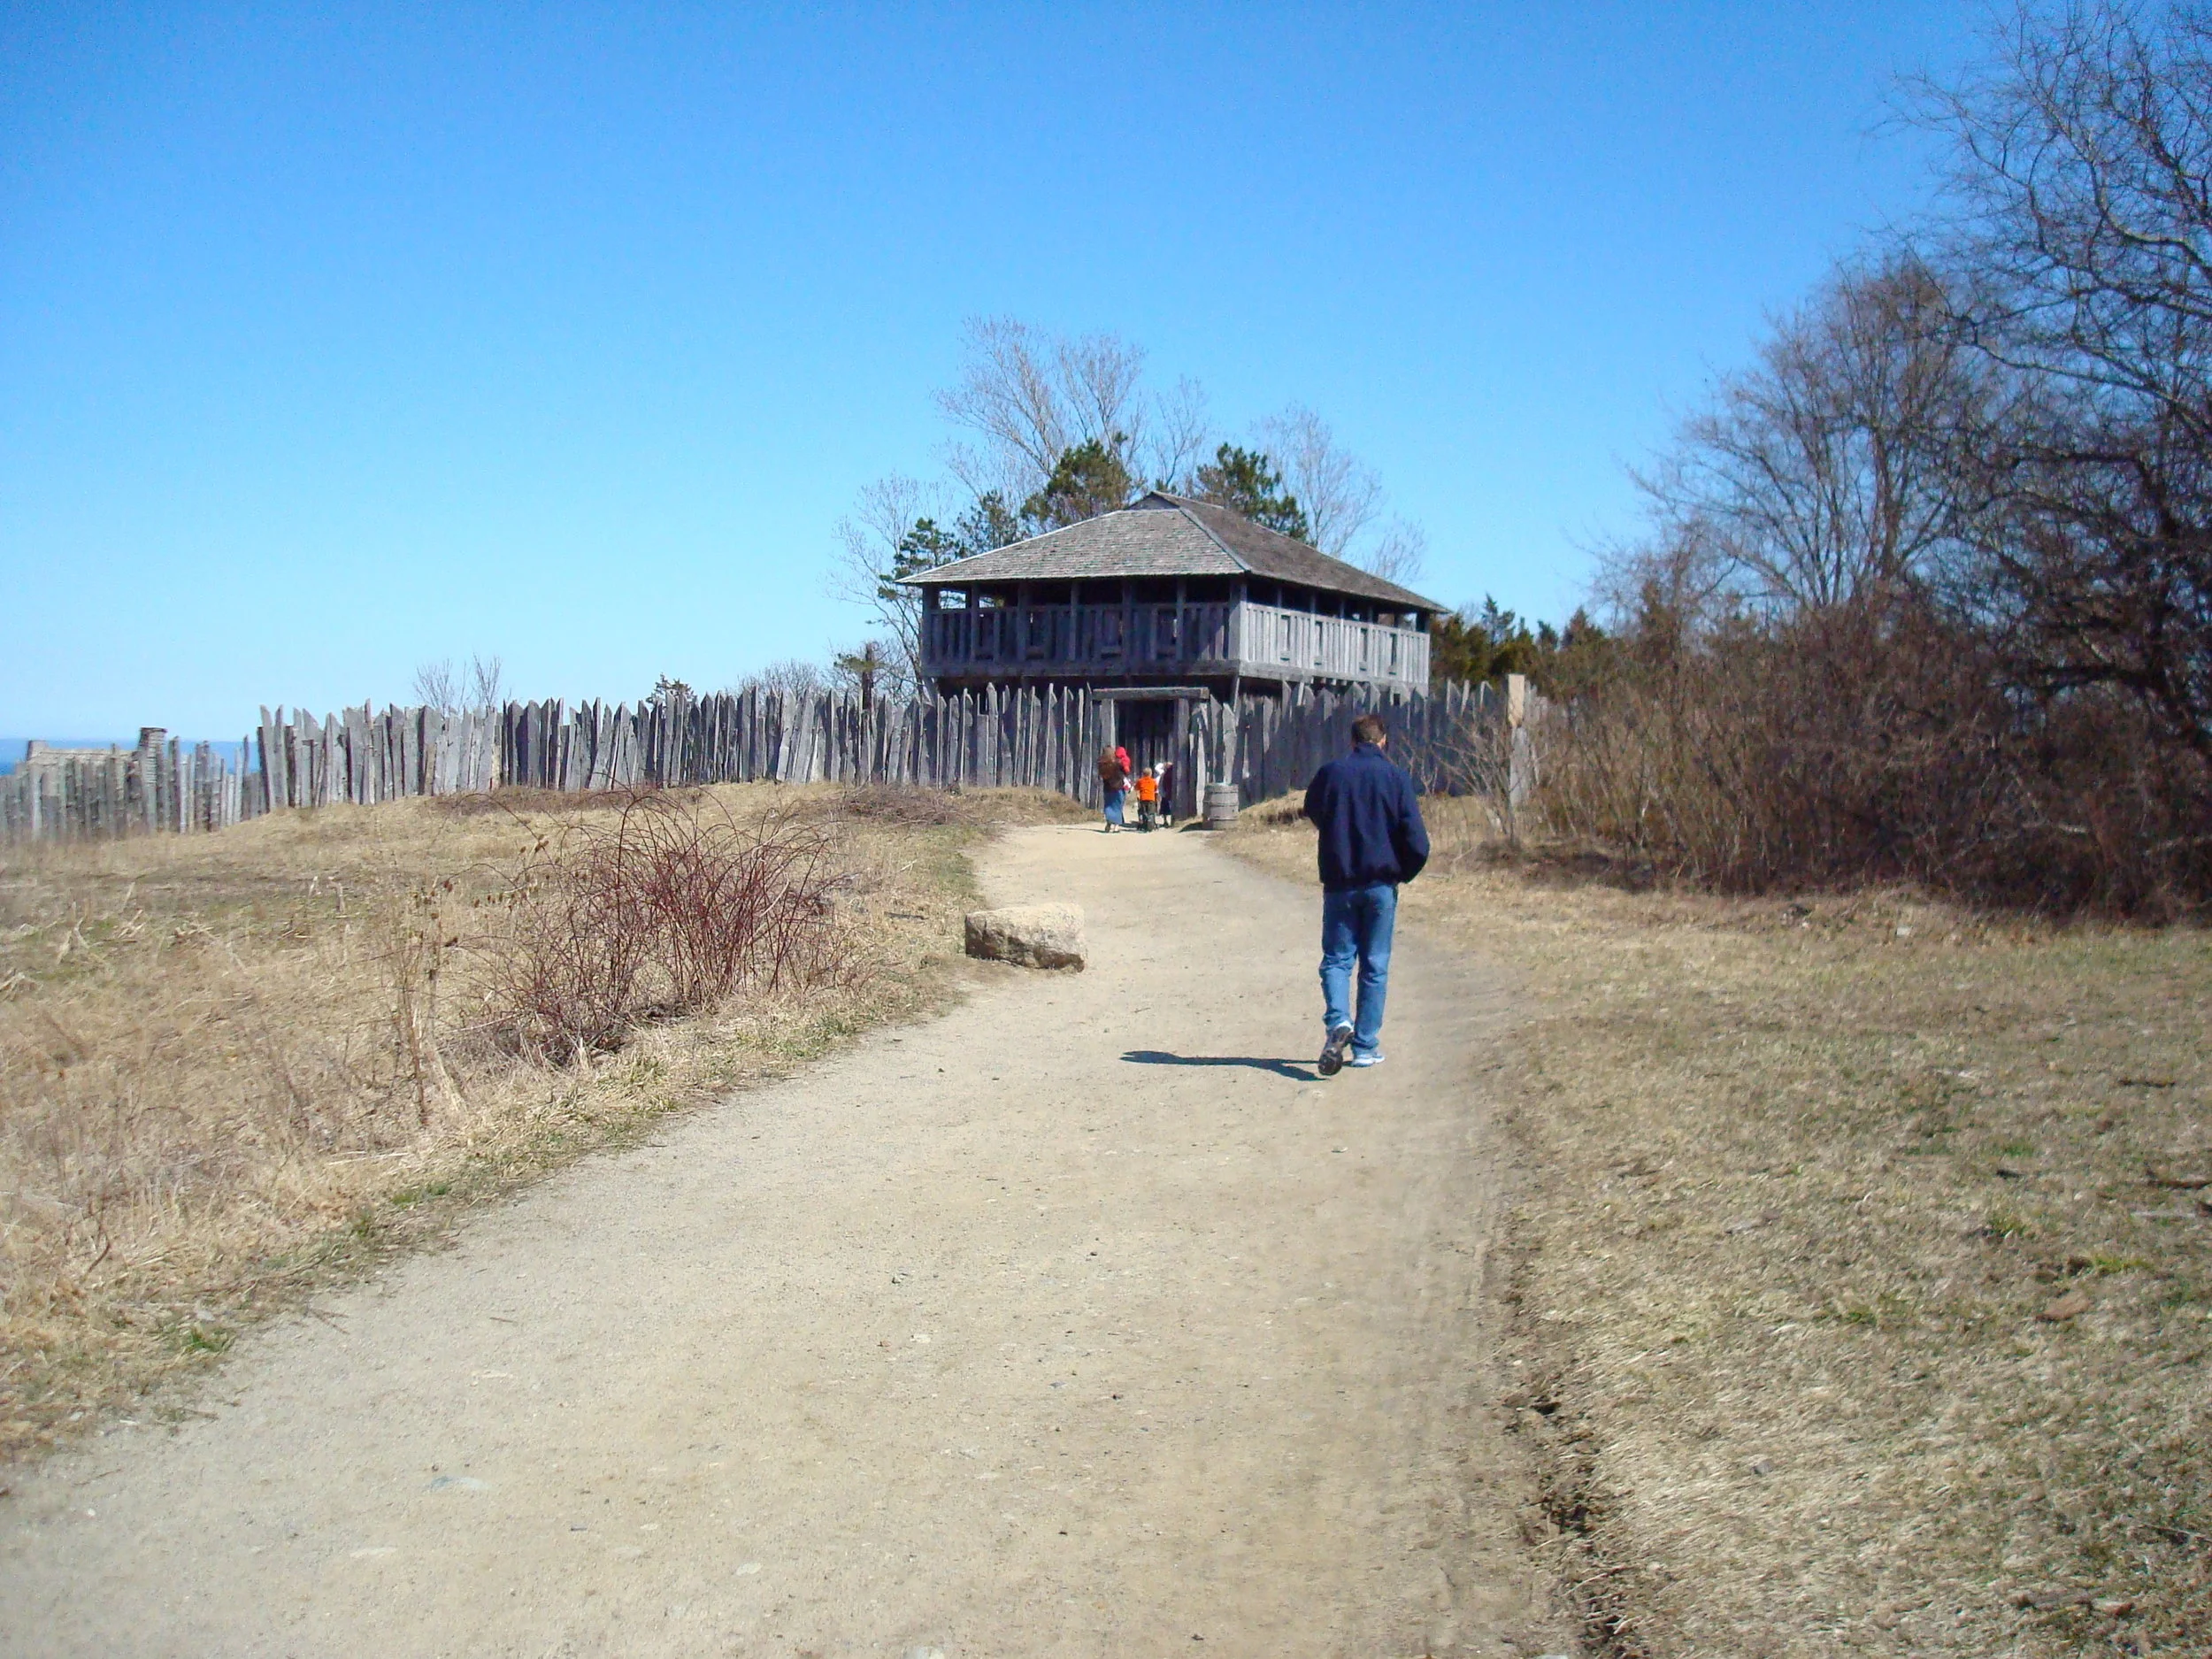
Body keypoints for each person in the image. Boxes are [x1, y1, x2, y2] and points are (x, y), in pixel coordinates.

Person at [1302, 712, 1428, 1075]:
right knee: (1374, 965)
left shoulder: (1331, 774)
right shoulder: (1396, 777)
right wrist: (1402, 872)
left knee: (1337, 960)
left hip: (1340, 883)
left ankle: (1339, 1021)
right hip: (1380, 885)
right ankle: (1366, 1047)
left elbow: (1312, 809)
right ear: (1383, 741)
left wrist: (1336, 832)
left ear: (1352, 741)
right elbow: (1418, 842)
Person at [1097, 749, 1128, 833]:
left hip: (1107, 788)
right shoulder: (1117, 764)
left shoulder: (1101, 765)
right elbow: (1125, 772)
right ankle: (1116, 826)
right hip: (1118, 787)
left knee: (1109, 806)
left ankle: (1108, 824)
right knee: (1117, 806)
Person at [1134, 765, 1158, 830]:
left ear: (1143, 774)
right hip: (1151, 798)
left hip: (1143, 798)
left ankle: (1145, 825)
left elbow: (1136, 788)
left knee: (1144, 812)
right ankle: (1151, 825)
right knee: (1151, 812)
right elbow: (1156, 788)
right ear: (1151, 774)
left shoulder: (1140, 781)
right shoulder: (1153, 781)